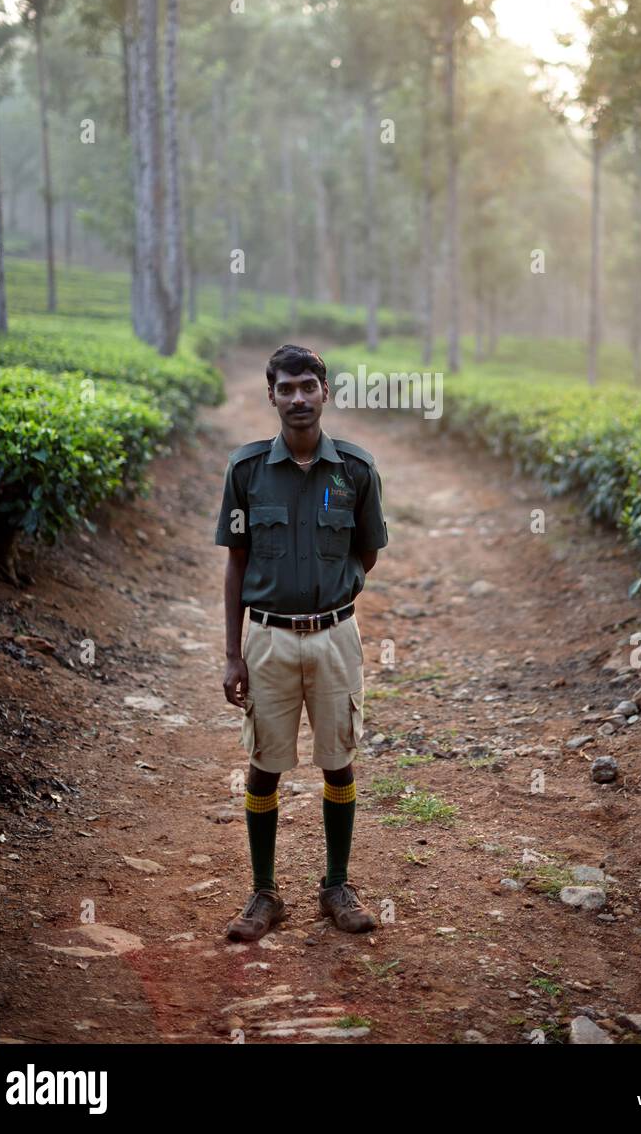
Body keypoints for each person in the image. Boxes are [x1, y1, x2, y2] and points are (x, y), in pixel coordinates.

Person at [214, 343, 388, 942]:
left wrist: (336, 596)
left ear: (324, 392)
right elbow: (236, 566)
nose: (297, 399)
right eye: (285, 389)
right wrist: (234, 653)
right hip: (266, 641)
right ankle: (265, 893)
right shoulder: (246, 471)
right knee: (265, 767)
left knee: (338, 761)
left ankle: (336, 885)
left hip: (335, 636)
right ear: (271, 396)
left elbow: (366, 552)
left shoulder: (356, 471)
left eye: (307, 387)